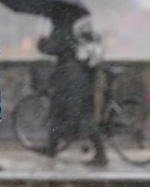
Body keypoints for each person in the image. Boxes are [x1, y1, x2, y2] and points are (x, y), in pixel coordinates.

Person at [38, 16, 108, 166]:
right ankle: (51, 147)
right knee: (58, 112)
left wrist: (41, 43)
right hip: (78, 76)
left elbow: (55, 47)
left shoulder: (62, 25)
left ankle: (101, 155)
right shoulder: (72, 23)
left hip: (71, 79)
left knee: (82, 116)